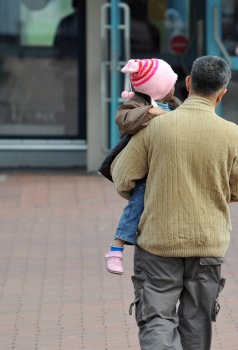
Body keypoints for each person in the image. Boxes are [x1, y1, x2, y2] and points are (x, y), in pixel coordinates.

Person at [111, 55, 238, 349]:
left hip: (158, 242)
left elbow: (122, 176)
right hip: (208, 243)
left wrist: (152, 193)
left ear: (187, 83)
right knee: (197, 322)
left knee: (156, 319)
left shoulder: (155, 127)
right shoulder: (232, 134)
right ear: (222, 92)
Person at [100, 58, 181, 275]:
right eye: (170, 84)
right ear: (159, 88)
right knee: (138, 201)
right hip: (145, 166)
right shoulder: (136, 104)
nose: (174, 87)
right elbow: (124, 119)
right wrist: (151, 113)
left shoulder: (175, 105)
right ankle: (116, 248)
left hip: (169, 162)